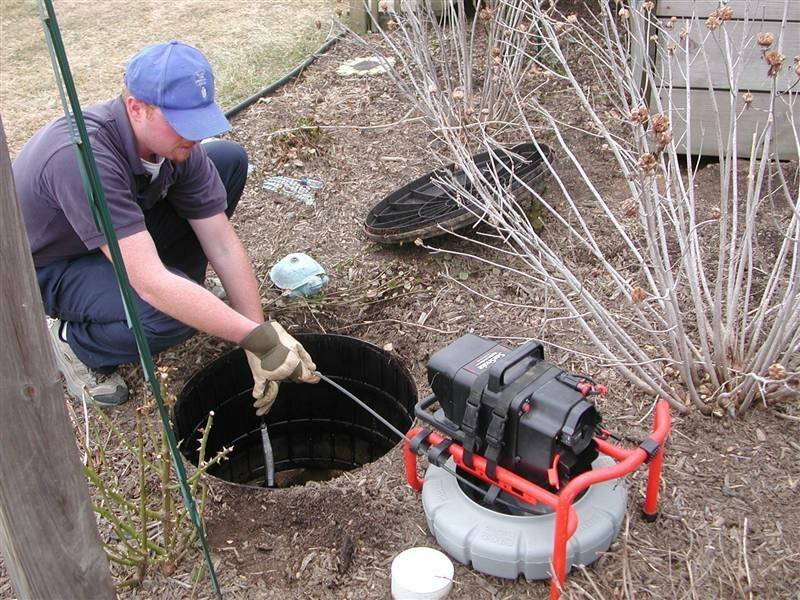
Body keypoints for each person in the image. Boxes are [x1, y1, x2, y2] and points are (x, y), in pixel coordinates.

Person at [12, 40, 317, 411]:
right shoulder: (81, 157)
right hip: (50, 266)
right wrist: (255, 338)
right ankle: (75, 344)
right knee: (168, 312)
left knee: (226, 160)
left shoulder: (173, 147)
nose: (192, 135)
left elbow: (220, 242)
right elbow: (151, 285)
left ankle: (186, 290)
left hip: (116, 236)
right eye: (182, 124)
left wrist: (257, 335)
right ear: (135, 108)